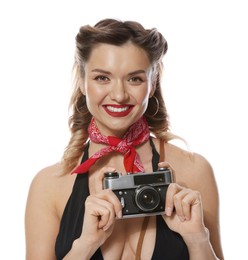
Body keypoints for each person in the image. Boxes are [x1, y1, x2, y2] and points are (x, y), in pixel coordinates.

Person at [25, 18, 224, 260]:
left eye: (135, 79)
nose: (119, 95)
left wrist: (197, 240)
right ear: (82, 80)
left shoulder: (194, 171)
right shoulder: (49, 185)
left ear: (152, 83)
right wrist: (85, 245)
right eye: (102, 78)